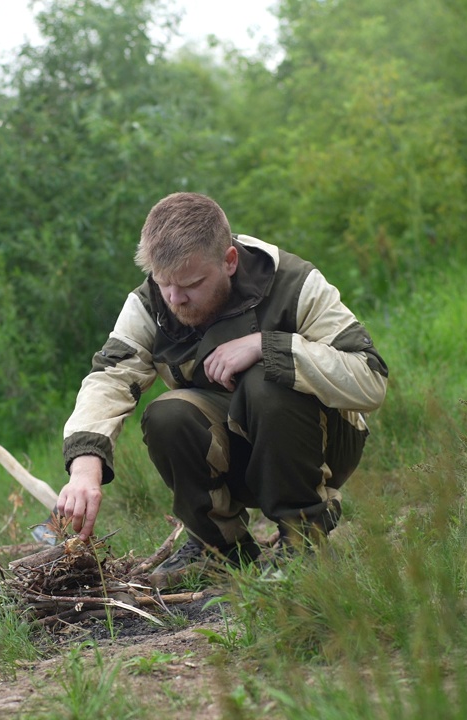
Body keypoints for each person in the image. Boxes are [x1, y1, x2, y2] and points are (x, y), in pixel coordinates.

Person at [55, 192, 388, 586]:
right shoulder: (150, 303)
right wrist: (85, 467)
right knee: (167, 415)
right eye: (164, 284)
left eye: (192, 284)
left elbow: (371, 379)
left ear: (229, 261)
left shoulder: (295, 283)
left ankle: (304, 541)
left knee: (269, 379)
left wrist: (269, 346)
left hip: (323, 443)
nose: (176, 299)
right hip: (235, 449)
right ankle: (221, 549)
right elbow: (109, 378)